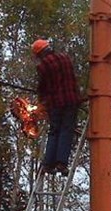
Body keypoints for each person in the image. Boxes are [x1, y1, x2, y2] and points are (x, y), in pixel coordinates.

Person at [32, 39, 80, 176]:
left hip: (55, 104)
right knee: (66, 131)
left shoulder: (43, 67)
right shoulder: (65, 58)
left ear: (39, 54)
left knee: (54, 132)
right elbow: (73, 79)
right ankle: (61, 163)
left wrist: (41, 101)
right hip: (71, 100)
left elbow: (43, 88)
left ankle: (48, 164)